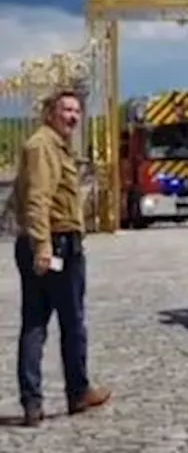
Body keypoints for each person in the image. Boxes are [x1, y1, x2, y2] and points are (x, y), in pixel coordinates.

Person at [12, 90, 111, 427]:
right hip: (55, 244)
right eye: (66, 110)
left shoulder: (54, 146)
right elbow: (36, 198)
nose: (73, 116)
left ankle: (38, 402)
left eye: (77, 110)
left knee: (38, 324)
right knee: (63, 323)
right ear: (50, 113)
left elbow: (20, 197)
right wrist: (42, 246)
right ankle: (72, 393)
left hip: (51, 240)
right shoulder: (43, 146)